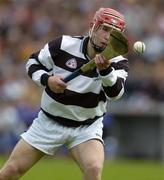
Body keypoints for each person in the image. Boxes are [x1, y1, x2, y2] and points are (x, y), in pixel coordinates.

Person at [0, 7, 129, 180]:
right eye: (105, 29)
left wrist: (105, 72)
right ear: (93, 27)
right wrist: (48, 80)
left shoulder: (118, 62)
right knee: (10, 171)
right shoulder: (63, 45)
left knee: (94, 170)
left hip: (86, 127)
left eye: (113, 34)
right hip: (48, 123)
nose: (107, 37)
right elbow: (33, 62)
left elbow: (115, 93)